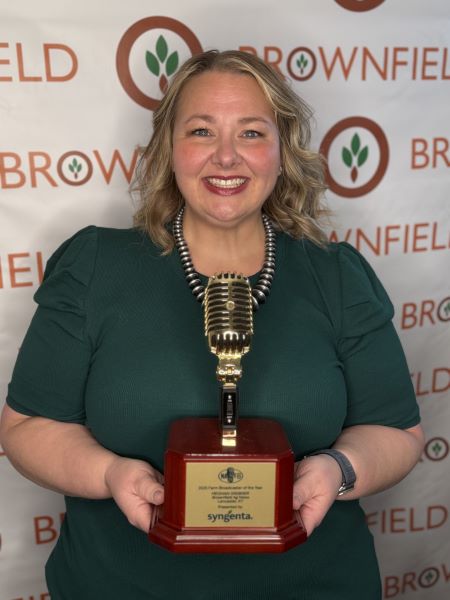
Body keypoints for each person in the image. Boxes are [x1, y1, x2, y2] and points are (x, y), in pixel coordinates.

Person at [0, 50, 423, 600]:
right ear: (168, 149)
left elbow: (396, 431)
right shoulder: (96, 266)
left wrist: (340, 468)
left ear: (282, 151)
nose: (226, 156)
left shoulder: (336, 275)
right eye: (202, 131)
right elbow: (28, 425)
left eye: (251, 133)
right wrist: (109, 474)